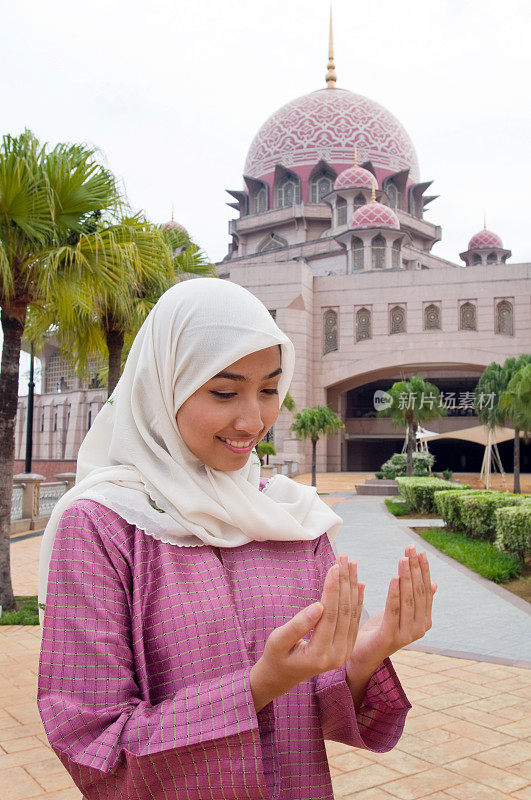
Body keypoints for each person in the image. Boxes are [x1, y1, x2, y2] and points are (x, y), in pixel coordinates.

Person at [37, 277, 436, 800]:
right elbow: (91, 741)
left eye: (270, 389)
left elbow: (315, 704)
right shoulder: (103, 527)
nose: (254, 419)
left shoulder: (290, 519)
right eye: (224, 392)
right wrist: (256, 686)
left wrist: (368, 650)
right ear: (165, 387)